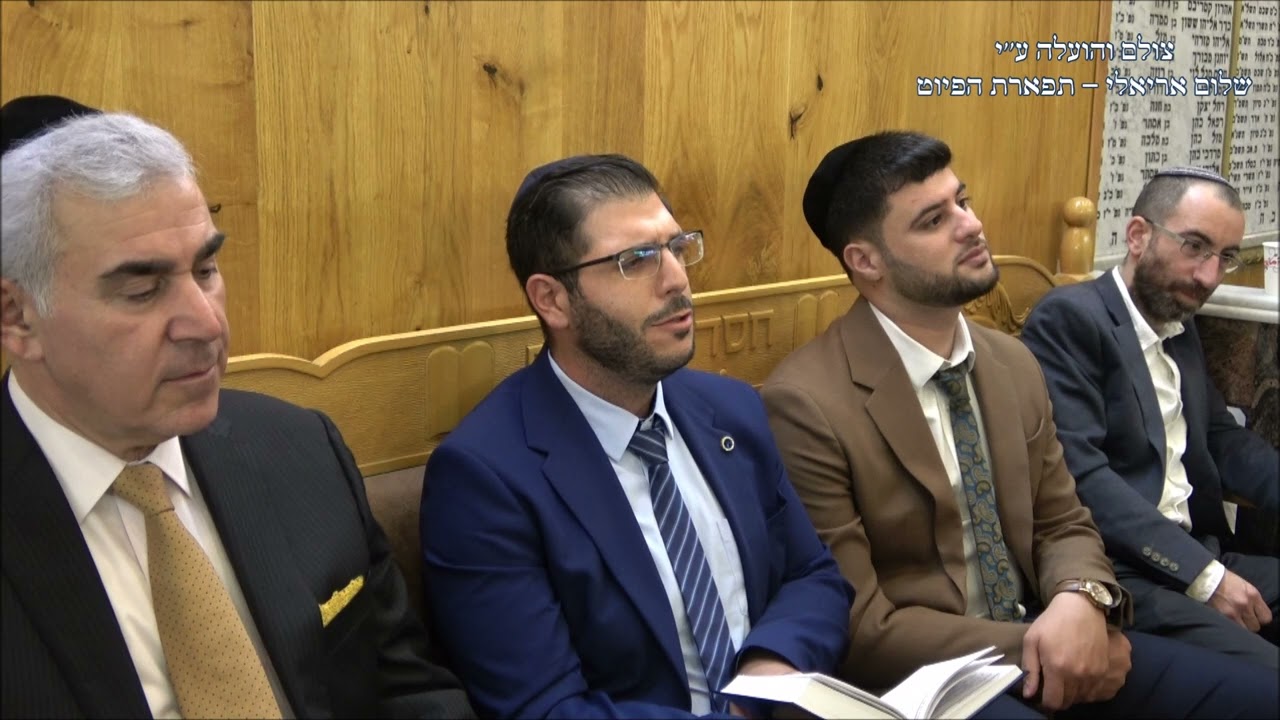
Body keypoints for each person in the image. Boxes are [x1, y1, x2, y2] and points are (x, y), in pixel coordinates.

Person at [761, 131, 1279, 718]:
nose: (971, 225)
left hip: (1049, 621)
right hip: (935, 676)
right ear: (866, 261)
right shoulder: (806, 403)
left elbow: (1064, 519)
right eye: (934, 220)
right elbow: (860, 624)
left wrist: (1081, 598)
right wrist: (1048, 641)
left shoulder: (1010, 361)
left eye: (963, 201)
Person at [0, 103, 473, 718]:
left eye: (206, 269)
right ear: (17, 317)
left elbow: (408, 691)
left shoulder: (300, 448)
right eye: (142, 291)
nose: (205, 323)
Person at [420, 154, 853, 718]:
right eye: (637, 260)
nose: (677, 280)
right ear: (552, 299)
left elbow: (813, 577)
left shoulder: (731, 409)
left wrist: (762, 678)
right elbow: (547, 710)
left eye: (678, 247)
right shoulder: (485, 477)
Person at [1021, 166, 1279, 670]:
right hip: (1123, 572)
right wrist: (1205, 577)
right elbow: (1081, 476)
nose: (1209, 277)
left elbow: (1221, 438)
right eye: (1195, 247)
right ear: (1138, 235)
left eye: (1225, 257)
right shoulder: (1071, 319)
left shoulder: (1175, 317)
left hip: (1199, 552)